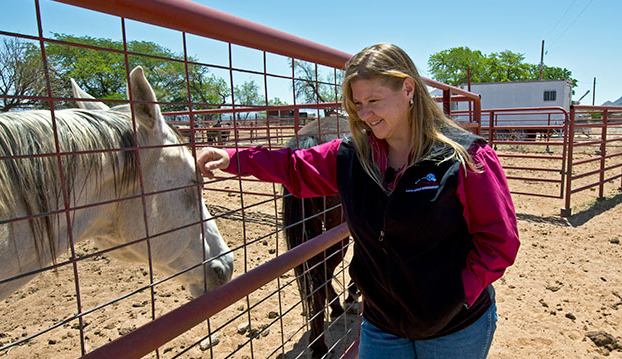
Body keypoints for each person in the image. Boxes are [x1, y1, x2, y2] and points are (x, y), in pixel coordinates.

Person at [197, 43, 519, 359]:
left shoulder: (464, 157)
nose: (365, 114)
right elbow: (294, 166)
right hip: (382, 323)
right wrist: (233, 158)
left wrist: (460, 294)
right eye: (358, 104)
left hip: (454, 326)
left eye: (374, 100)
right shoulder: (352, 155)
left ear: (408, 89)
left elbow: (499, 240)